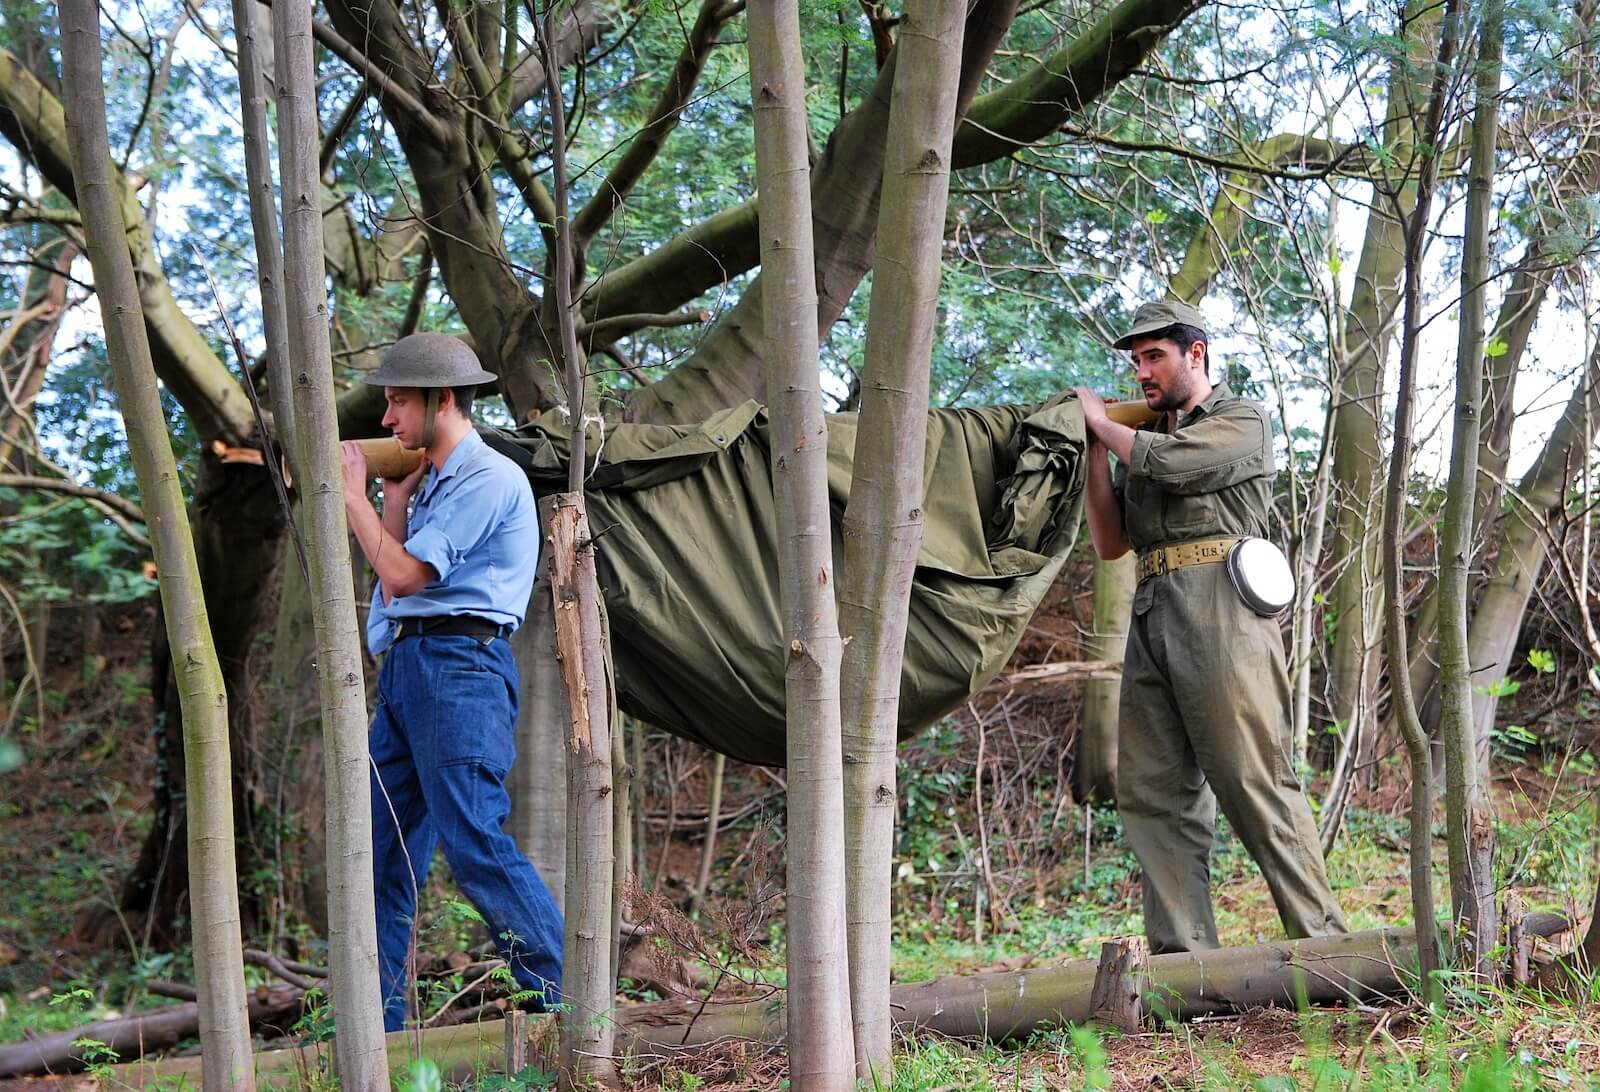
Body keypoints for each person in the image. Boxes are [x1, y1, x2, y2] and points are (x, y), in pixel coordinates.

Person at [1073, 300, 1346, 954]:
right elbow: (1112, 541)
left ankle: (1329, 950)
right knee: (1154, 796)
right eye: (1135, 360)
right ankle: (1183, 966)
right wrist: (1092, 449)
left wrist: (1101, 423)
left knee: (1253, 781)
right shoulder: (1141, 439)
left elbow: (1172, 464)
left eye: (1154, 356)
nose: (1142, 371)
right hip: (1151, 610)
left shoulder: (1240, 421)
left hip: (1223, 611)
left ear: (1195, 354)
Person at [340, 332, 562, 1031]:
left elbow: (406, 577)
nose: (386, 420)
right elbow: (401, 581)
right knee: (379, 857)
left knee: (473, 839)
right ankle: (378, 1034)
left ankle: (569, 1013)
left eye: (398, 401)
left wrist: (350, 498)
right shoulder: (436, 480)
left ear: (442, 401)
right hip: (411, 669)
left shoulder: (489, 477)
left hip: (459, 669)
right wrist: (393, 503)